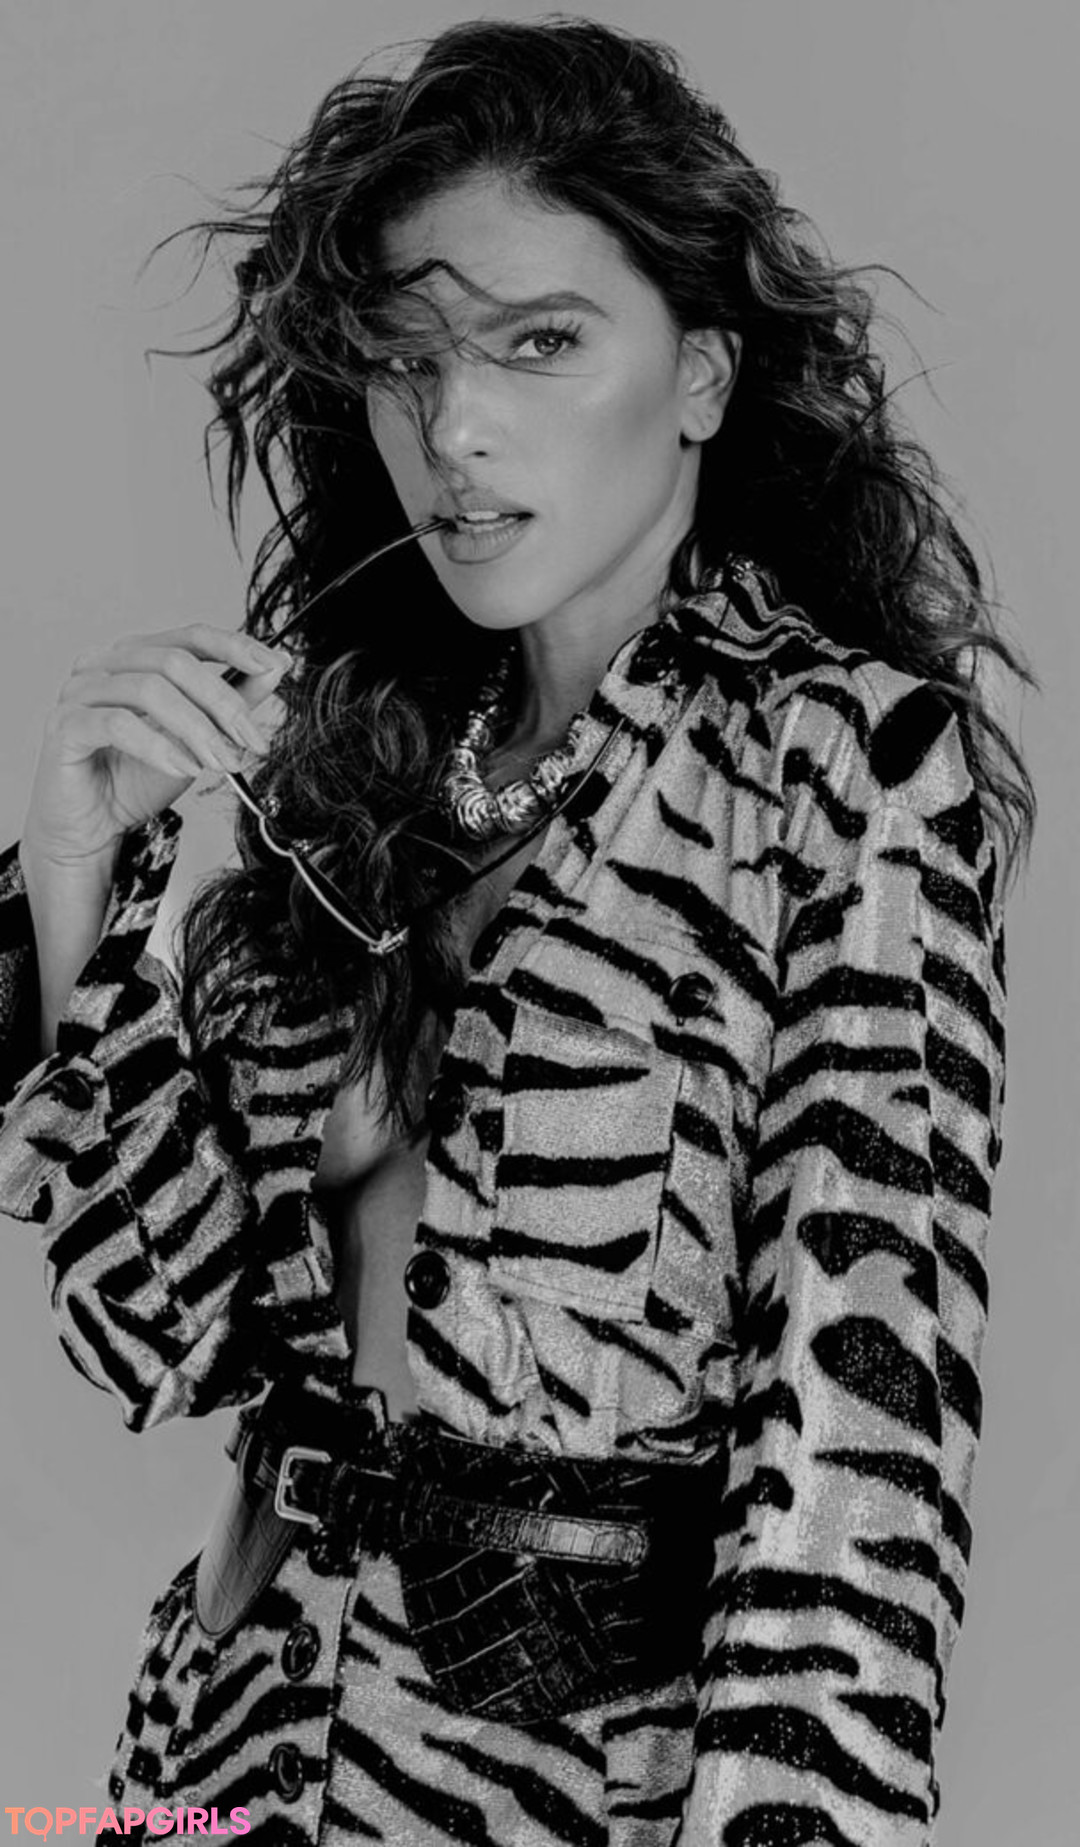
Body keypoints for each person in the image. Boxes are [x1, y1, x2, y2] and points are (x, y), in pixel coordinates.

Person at [0, 16, 1035, 1845]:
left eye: (540, 343)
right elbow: (157, 1338)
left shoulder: (844, 766)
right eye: (406, 361)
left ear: (701, 372)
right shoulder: (355, 766)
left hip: (564, 1787)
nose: (455, 430)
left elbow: (856, 1453)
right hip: (231, 1741)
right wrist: (78, 883)